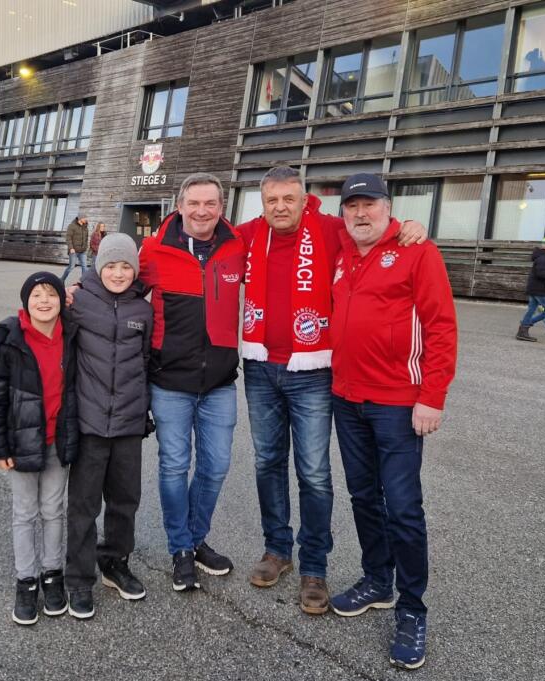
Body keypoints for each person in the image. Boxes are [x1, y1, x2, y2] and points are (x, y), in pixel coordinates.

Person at [236, 166, 427, 615]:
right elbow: (196, 229)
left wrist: (411, 228)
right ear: (261, 204)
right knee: (266, 461)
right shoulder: (246, 235)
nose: (280, 207)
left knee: (315, 472)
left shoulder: (331, 229)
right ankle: (277, 549)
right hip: (261, 367)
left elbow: (374, 228)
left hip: (313, 371)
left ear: (305, 200)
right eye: (271, 200)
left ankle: (314, 566)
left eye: (289, 198)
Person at [328, 173, 457, 671]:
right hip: (346, 398)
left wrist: (433, 396)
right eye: (352, 206)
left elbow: (441, 325)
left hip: (399, 403)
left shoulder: (417, 251)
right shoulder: (342, 249)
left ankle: (412, 607)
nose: (361, 214)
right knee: (363, 497)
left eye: (370, 205)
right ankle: (378, 581)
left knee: (403, 506)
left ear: (388, 208)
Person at [137, 173, 244, 591]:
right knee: (174, 466)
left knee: (215, 467)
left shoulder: (238, 246)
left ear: (222, 207)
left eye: (211, 204)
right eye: (194, 203)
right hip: (170, 382)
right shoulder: (153, 250)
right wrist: (72, 294)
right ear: (179, 205)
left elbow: (291, 230)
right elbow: (117, 285)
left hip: (219, 382)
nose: (202, 211)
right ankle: (181, 547)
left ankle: (197, 539)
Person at [0, 272, 80, 626]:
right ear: (26, 301)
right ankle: (26, 580)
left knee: (53, 510)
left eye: (51, 293)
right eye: (36, 294)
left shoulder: (72, 335)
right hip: (20, 442)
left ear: (61, 300)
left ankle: (52, 575)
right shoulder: (9, 337)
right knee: (25, 512)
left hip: (57, 440)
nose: (44, 301)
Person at [64, 233, 154, 619]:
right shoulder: (78, 301)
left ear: (135, 269)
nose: (118, 273)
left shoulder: (143, 310)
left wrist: (146, 412)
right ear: (99, 267)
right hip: (89, 421)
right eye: (111, 265)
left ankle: (115, 563)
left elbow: (148, 362)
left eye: (125, 266)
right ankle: (78, 578)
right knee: (83, 504)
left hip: (129, 423)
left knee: (125, 500)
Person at [61, 216, 90, 282]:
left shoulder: (85, 227)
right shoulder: (72, 226)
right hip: (74, 251)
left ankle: (84, 282)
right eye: (85, 218)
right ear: (80, 218)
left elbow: (86, 239)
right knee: (71, 267)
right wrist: (71, 248)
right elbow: (68, 238)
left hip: (82, 251)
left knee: (85, 266)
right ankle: (62, 280)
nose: (86, 219)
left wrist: (85, 247)